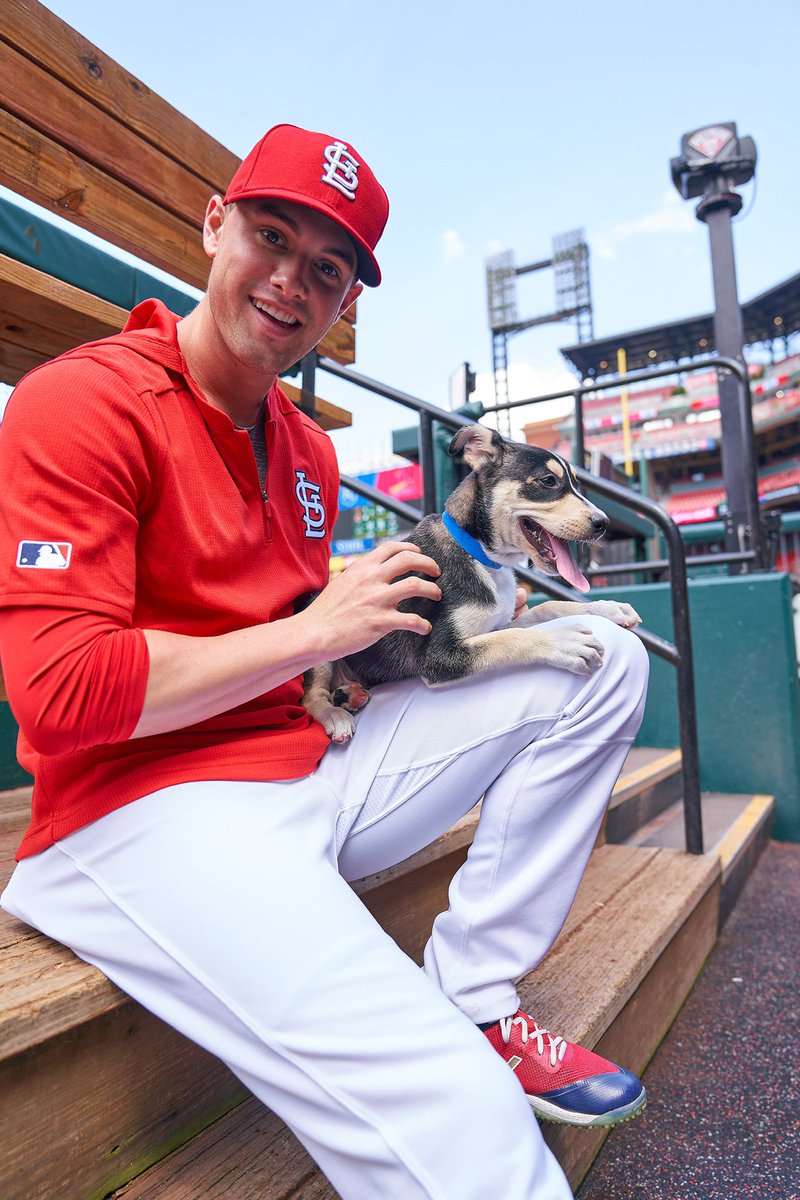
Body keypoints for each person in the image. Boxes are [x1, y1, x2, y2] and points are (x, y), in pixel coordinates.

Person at [0, 124, 650, 1199]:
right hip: (143, 806)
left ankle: (476, 995)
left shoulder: (305, 447)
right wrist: (317, 632)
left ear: (345, 303)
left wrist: (360, 647)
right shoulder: (87, 398)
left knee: (599, 659)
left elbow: (314, 658)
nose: (291, 281)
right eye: (270, 236)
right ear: (215, 225)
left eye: (328, 268)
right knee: (465, 1128)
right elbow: (63, 695)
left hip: (309, 762)